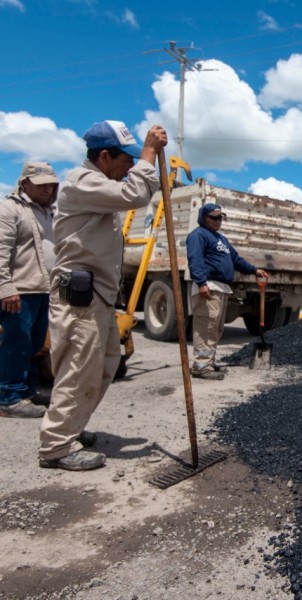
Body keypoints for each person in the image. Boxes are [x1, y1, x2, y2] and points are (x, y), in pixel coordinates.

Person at [39, 120, 168, 471]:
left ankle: (71, 429)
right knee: (79, 369)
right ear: (105, 156)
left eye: (132, 160)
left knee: (104, 365)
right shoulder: (83, 183)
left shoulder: (99, 185)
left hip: (97, 296)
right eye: (125, 159)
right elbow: (135, 194)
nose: (129, 166)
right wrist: (149, 153)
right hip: (79, 296)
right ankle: (56, 446)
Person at [0, 162, 59, 418]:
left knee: (35, 344)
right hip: (19, 291)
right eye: (41, 184)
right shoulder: (9, 209)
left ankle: (27, 391)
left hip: (42, 289)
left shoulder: (48, 213)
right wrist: (5, 286)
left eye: (50, 184)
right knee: (16, 343)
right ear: (25, 184)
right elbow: (1, 250)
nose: (47, 189)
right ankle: (8, 396)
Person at [187, 204, 268, 380]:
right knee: (205, 327)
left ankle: (209, 362)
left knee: (216, 328)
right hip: (209, 287)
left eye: (220, 218)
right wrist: (201, 283)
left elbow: (236, 259)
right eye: (213, 218)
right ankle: (201, 366)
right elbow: (195, 260)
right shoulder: (198, 235)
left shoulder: (221, 240)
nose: (217, 221)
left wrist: (254, 270)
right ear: (203, 218)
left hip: (222, 288)